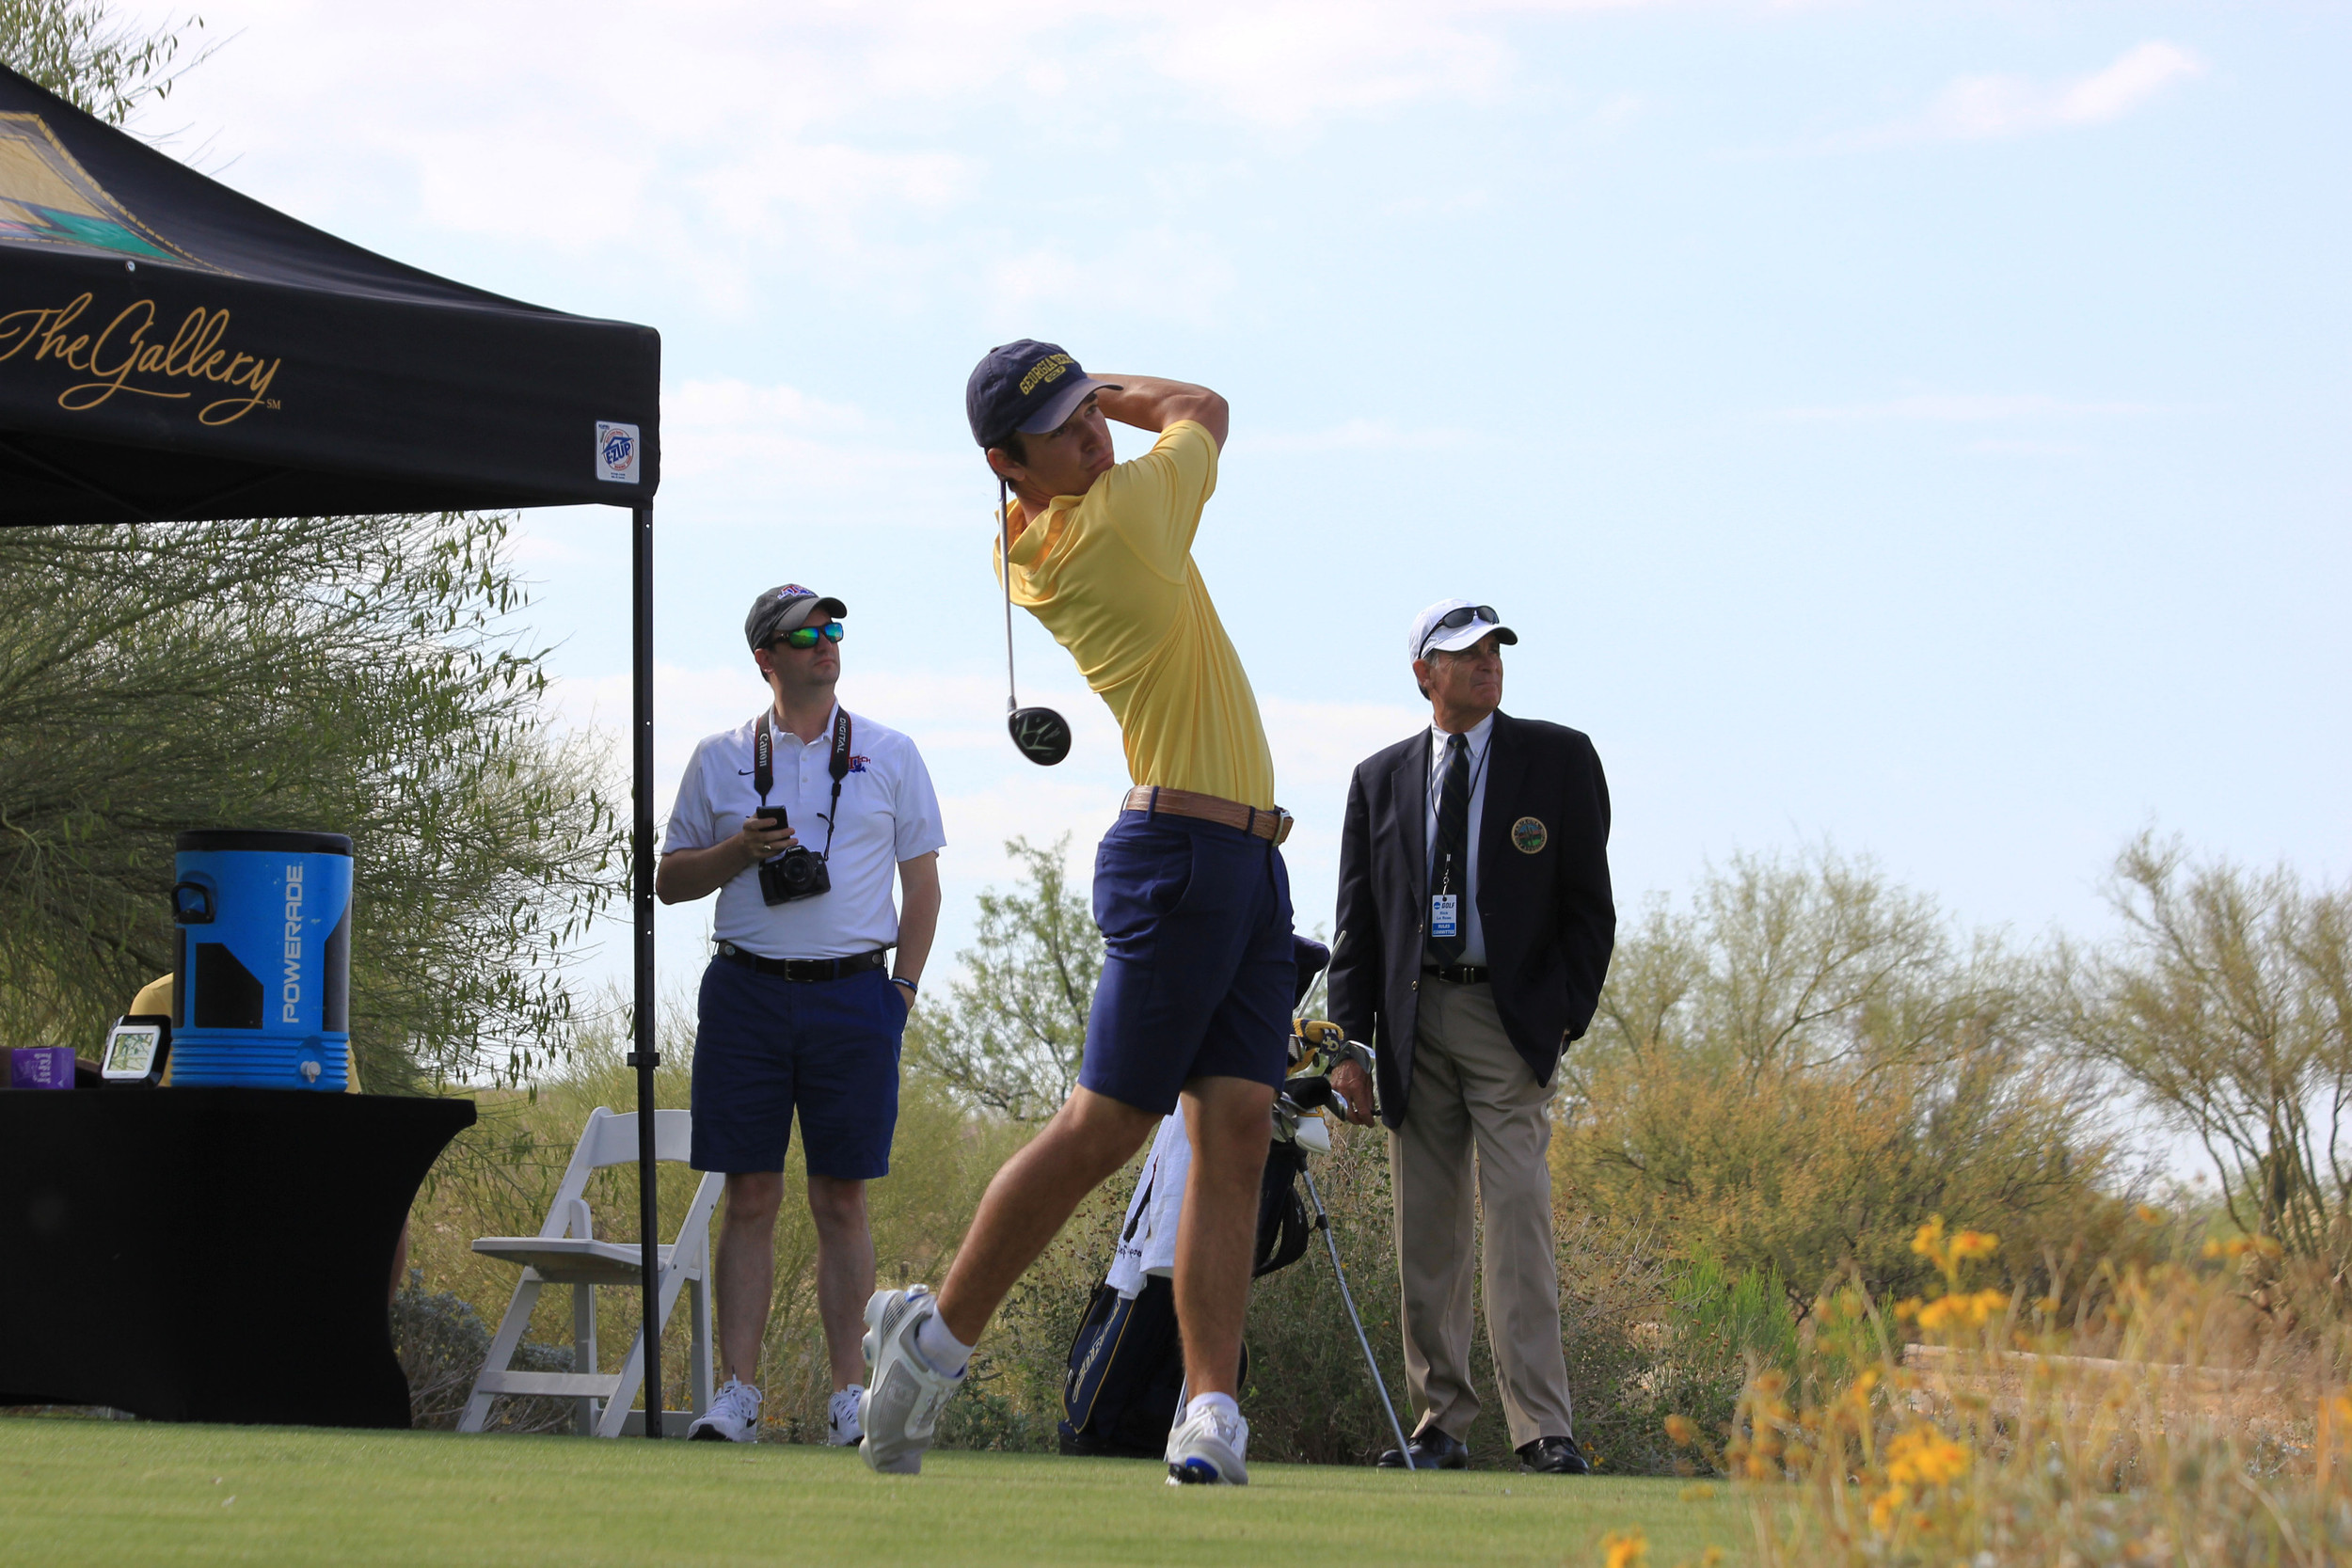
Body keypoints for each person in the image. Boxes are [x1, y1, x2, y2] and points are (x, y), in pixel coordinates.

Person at [857, 341, 1292, 1485]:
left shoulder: (1037, 531)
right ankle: (932, 1343)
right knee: (1103, 1128)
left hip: (1244, 859)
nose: (1093, 432)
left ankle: (1207, 1408)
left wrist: (1076, 402)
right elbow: (1202, 403)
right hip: (1182, 855)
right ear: (1010, 462)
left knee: (1237, 1127)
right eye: (1065, 423)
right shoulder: (1116, 523)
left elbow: (1128, 441)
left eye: (1088, 411)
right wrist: (1111, 376)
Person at [1325, 600, 1615, 1475]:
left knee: (1519, 1213)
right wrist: (1349, 1045)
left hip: (1510, 1020)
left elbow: (1589, 908)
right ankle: (1440, 1421)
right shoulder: (1378, 778)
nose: (1487, 664)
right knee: (1429, 1232)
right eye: (1465, 654)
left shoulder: (1560, 758)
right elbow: (1358, 929)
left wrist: (1561, 1016)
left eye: (1495, 650)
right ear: (1425, 674)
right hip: (1413, 1025)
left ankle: (1543, 1426)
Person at [655, 584, 945, 1447]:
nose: (828, 640)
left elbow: (923, 885)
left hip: (857, 995)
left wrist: (903, 991)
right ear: (766, 657)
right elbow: (669, 881)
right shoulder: (718, 755)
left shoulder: (890, 751)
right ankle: (737, 1395)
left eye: (835, 627)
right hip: (746, 990)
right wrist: (738, 849)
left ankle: (849, 1397)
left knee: (841, 1198)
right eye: (807, 631)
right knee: (749, 1193)